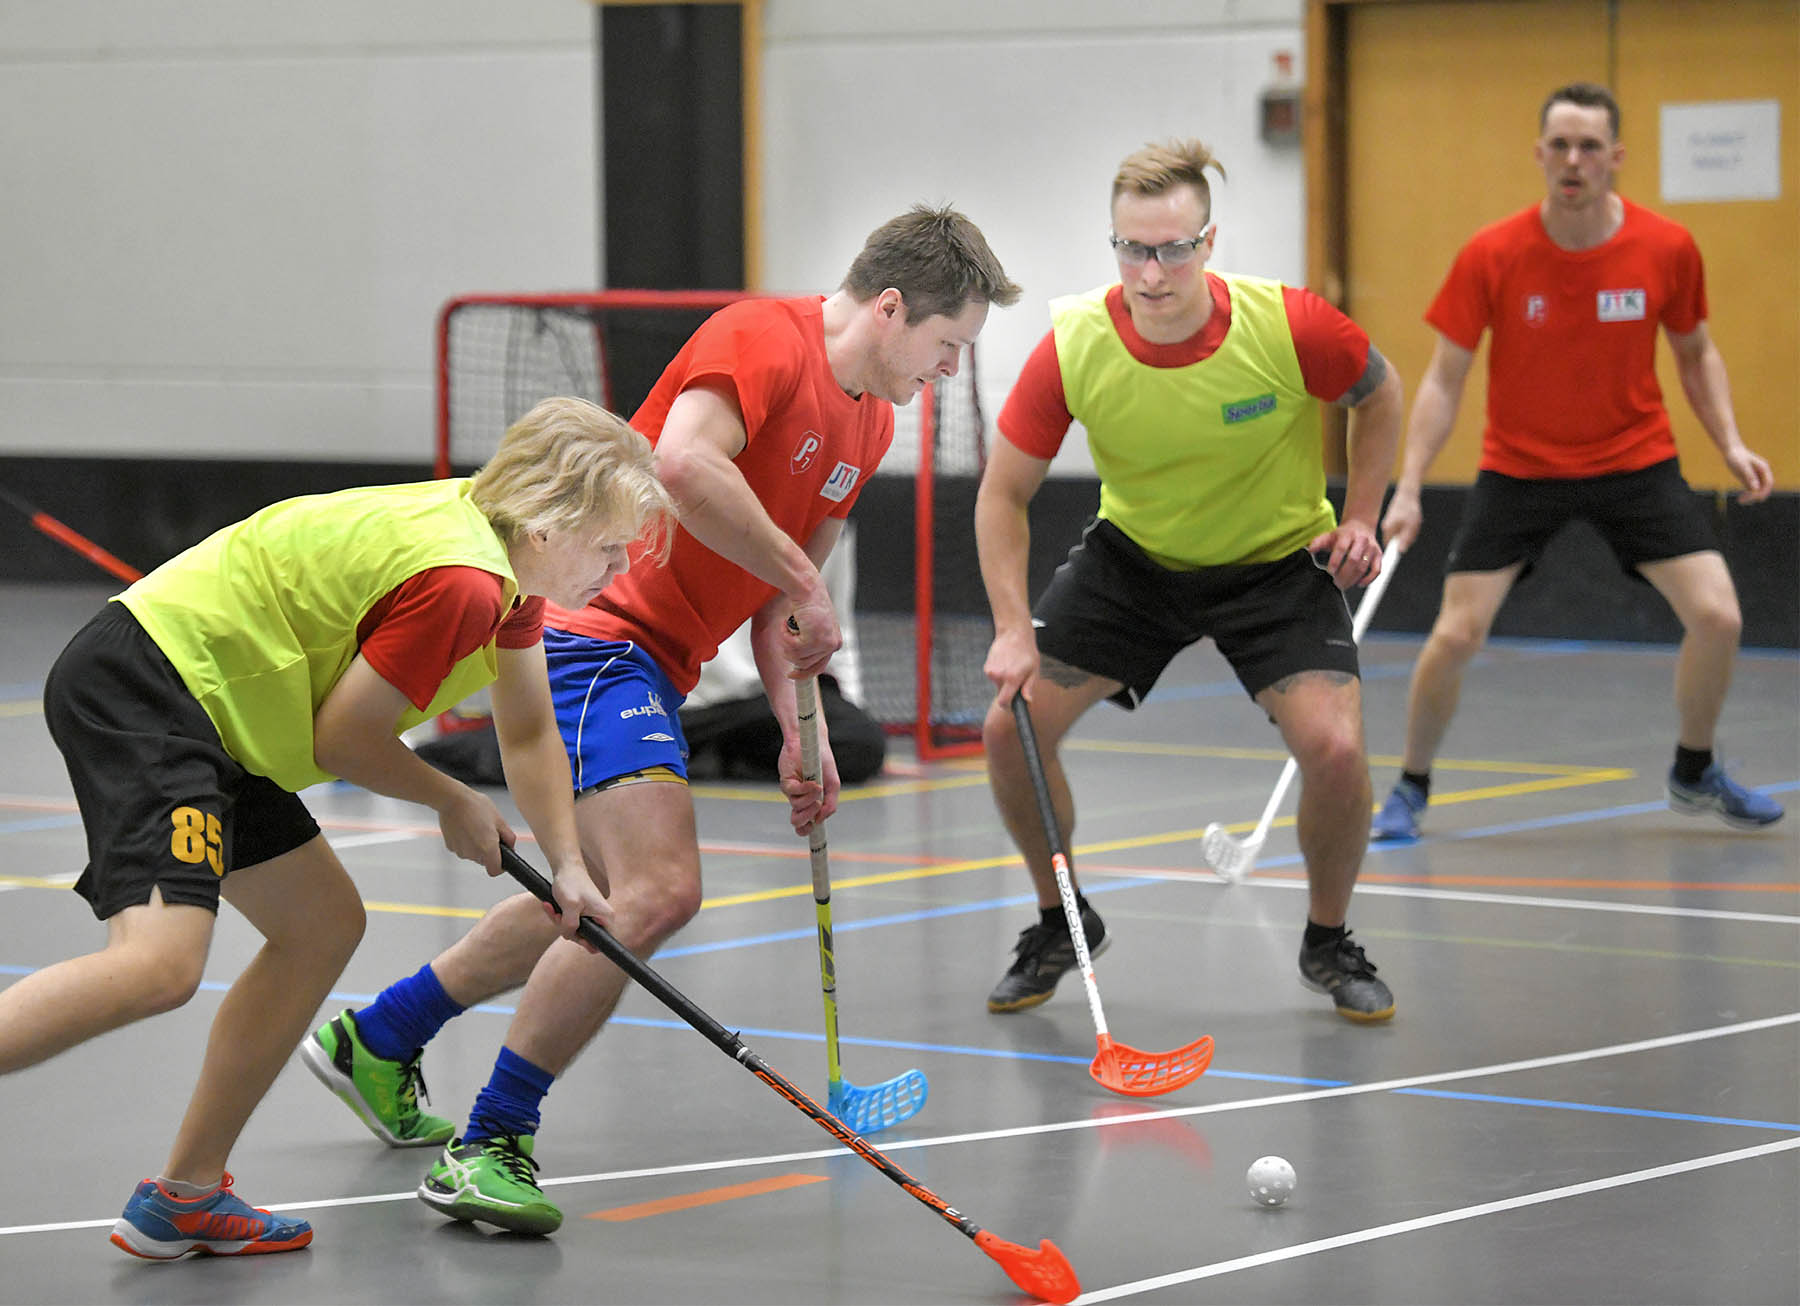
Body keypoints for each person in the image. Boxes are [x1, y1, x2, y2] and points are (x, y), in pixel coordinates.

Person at [301, 205, 1019, 1234]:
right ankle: (492, 1138)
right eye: (946, 347)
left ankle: (381, 1034)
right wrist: (803, 571)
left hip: (661, 664)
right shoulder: (760, 337)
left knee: (590, 895)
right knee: (660, 889)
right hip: (595, 631)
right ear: (894, 308)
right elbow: (683, 466)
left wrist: (795, 731)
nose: (948, 371)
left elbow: (784, 614)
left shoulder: (872, 420)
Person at [0, 396, 671, 1260]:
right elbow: (346, 737)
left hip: (227, 720)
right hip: (157, 690)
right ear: (546, 525)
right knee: (158, 966)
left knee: (321, 925)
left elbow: (530, 728)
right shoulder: (460, 582)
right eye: (610, 545)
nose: (618, 569)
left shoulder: (500, 557)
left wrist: (569, 865)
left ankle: (187, 1195)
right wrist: (452, 800)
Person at [977, 138, 1405, 1024]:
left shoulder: (1288, 325)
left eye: (1173, 247)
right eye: (1132, 248)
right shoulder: (1076, 343)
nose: (1152, 271)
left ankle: (1329, 941)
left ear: (1209, 243)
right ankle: (1062, 924)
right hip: (1134, 565)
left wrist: (1359, 514)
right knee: (1008, 731)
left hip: (1277, 565)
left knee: (1334, 750)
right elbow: (1002, 495)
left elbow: (1380, 391)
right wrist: (1014, 628)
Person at [1370, 82, 1783, 842]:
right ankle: (1409, 786)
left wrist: (1728, 442)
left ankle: (1693, 770)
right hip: (1520, 469)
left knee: (1719, 615)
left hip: (1637, 462)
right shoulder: (1492, 253)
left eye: (1589, 146)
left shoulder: (1666, 247)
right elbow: (1444, 376)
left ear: (1616, 158)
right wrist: (1412, 487)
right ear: (1538, 155)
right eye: (1559, 144)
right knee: (1456, 635)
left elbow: (1695, 353)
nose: (1573, 159)